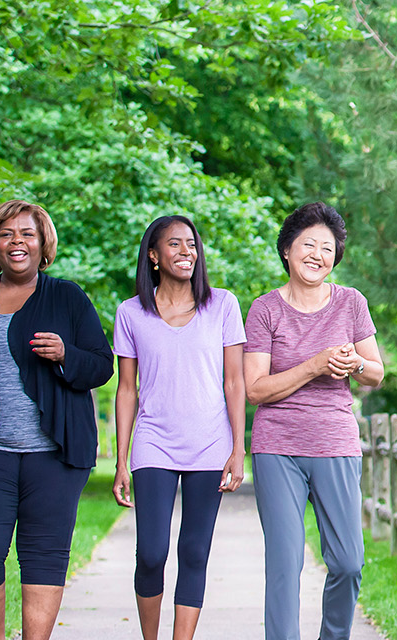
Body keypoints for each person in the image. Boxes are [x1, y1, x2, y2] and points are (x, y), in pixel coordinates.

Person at [0, 199, 112, 640]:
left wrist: (67, 353)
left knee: (44, 555)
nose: (17, 242)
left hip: (55, 453)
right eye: (7, 234)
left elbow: (102, 365)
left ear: (42, 242)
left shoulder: (67, 297)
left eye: (26, 234)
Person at [243, 203, 385, 640]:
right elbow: (256, 389)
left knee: (348, 561)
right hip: (277, 447)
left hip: (335, 443)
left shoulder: (351, 302)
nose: (318, 255)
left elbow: (376, 374)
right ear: (287, 249)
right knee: (285, 564)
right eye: (309, 244)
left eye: (328, 248)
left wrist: (353, 362)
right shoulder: (264, 309)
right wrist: (315, 364)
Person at [110, 215, 247, 640]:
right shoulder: (130, 312)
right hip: (154, 444)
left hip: (210, 443)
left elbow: (235, 381)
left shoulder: (222, 304)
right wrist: (120, 462)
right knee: (151, 553)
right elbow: (127, 390)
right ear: (153, 256)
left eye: (191, 244)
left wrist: (238, 448)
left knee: (194, 551)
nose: (187, 251)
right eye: (175, 244)